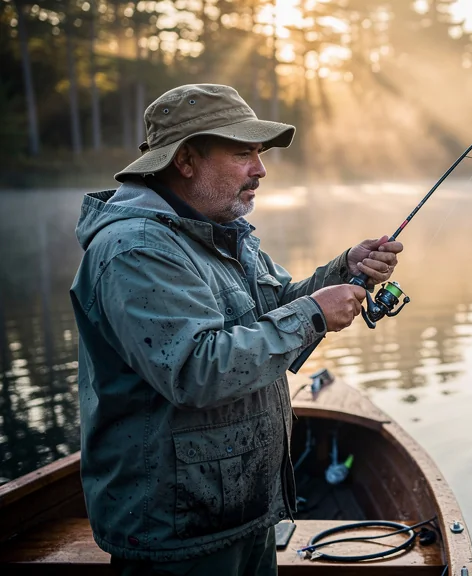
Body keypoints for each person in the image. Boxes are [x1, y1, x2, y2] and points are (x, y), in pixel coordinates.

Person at [69, 84, 403, 575]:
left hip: (243, 513)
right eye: (243, 152)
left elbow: (271, 315)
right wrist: (313, 313)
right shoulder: (134, 250)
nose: (260, 169)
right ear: (185, 160)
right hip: (177, 534)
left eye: (260, 153)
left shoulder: (221, 232)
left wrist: (341, 271)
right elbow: (195, 370)